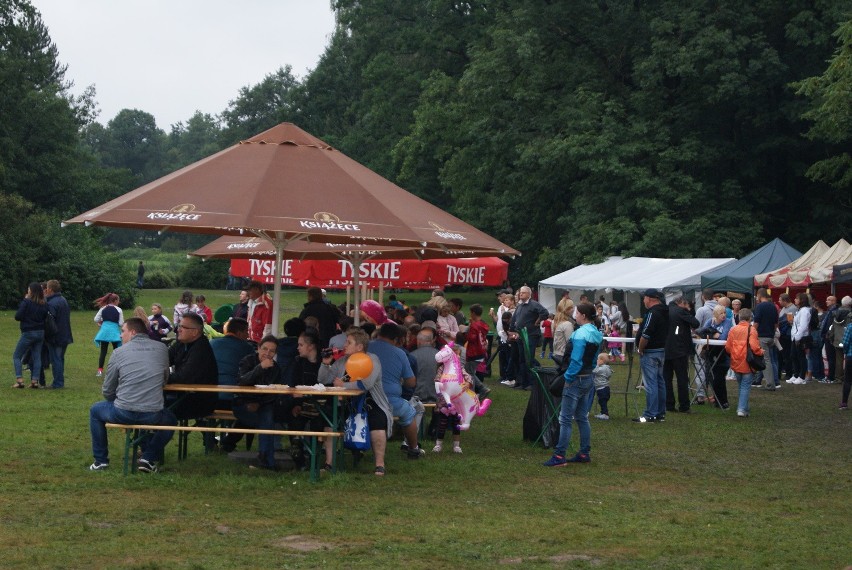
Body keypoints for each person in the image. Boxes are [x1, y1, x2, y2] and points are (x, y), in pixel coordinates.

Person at [88, 317, 177, 473]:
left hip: (123, 411)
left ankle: (100, 460)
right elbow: (164, 379)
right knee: (170, 419)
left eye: (123, 331)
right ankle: (147, 458)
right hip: (152, 413)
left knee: (96, 411)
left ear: (133, 332)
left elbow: (108, 389)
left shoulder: (118, 353)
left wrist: (118, 400)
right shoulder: (162, 349)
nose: (120, 336)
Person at [319, 327, 392, 476]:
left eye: (349, 342)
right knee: (329, 421)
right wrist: (326, 364)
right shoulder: (342, 362)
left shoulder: (372, 360)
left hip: (371, 402)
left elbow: (366, 384)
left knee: (377, 421)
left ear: (359, 347)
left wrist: (342, 385)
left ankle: (379, 464)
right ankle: (329, 463)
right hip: (345, 403)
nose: (344, 345)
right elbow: (323, 379)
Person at [543, 303, 601, 466]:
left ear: (583, 315)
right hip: (588, 377)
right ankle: (584, 452)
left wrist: (567, 378)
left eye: (576, 312)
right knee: (582, 417)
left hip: (576, 378)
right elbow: (595, 357)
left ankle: (559, 455)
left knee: (565, 419)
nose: (574, 314)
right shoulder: (596, 333)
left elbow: (576, 360)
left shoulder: (580, 334)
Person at [367, 323, 425, 458]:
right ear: (397, 339)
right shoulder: (400, 353)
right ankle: (413, 448)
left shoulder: (366, 347)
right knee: (410, 413)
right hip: (391, 401)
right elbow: (411, 382)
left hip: (365, 398)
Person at [234, 335, 282, 470]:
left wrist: (258, 404)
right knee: (267, 419)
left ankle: (265, 459)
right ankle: (267, 460)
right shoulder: (247, 361)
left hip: (264, 405)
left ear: (275, 353)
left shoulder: (276, 368)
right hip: (242, 403)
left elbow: (273, 393)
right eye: (265, 349)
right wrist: (260, 367)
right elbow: (242, 382)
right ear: (258, 348)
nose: (267, 353)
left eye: (272, 351)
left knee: (267, 417)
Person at [289, 330, 335, 470]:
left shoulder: (326, 362)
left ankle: (314, 460)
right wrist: (296, 403)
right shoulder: (298, 361)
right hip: (303, 405)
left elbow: (329, 386)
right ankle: (300, 461)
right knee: (294, 421)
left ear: (311, 346)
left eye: (301, 344)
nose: (298, 348)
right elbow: (293, 384)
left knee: (319, 423)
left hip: (322, 405)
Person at [165, 312, 219, 421]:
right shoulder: (181, 343)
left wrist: (162, 377)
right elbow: (162, 360)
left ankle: (150, 436)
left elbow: (185, 377)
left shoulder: (201, 349)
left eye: (182, 327)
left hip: (199, 402)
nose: (177, 330)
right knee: (149, 404)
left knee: (153, 409)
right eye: (178, 326)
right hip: (183, 396)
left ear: (195, 332)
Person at [634, 289, 669, 423]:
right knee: (660, 381)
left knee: (651, 383)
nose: (643, 301)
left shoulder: (652, 313)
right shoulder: (665, 311)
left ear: (650, 299)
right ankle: (660, 412)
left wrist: (640, 348)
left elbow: (646, 333)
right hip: (661, 350)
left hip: (650, 351)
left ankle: (650, 413)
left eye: (644, 298)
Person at [508, 285, 549, 390]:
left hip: (530, 335)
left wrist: (539, 320)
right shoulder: (520, 306)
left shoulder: (534, 304)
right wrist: (511, 330)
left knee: (528, 359)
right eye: (520, 292)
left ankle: (531, 382)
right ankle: (523, 382)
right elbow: (514, 319)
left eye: (523, 293)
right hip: (520, 336)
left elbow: (545, 312)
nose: (521, 294)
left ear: (529, 294)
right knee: (521, 359)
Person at [725, 308, 763, 418]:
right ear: (750, 318)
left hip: (736, 361)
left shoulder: (733, 329)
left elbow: (728, 347)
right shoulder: (752, 330)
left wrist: (734, 353)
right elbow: (755, 347)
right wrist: (761, 351)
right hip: (747, 361)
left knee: (741, 385)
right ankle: (741, 409)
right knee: (745, 386)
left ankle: (745, 409)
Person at [664, 295, 699, 413]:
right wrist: (688, 310)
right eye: (686, 305)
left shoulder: (665, 310)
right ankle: (684, 405)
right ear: (681, 303)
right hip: (679, 349)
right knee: (682, 378)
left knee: (666, 378)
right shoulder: (680, 312)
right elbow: (696, 323)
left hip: (665, 348)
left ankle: (669, 404)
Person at [12, 282, 48, 389]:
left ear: (31, 291)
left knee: (17, 356)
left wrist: (25, 301)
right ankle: (34, 380)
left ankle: (19, 380)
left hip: (28, 332)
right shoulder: (44, 304)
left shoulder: (27, 302)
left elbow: (18, 316)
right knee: (37, 357)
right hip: (40, 332)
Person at [699, 305, 733, 409]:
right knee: (711, 377)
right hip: (711, 352)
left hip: (722, 354)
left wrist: (712, 333)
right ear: (715, 314)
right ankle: (718, 401)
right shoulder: (710, 321)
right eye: (721, 313)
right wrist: (714, 333)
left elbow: (723, 337)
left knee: (719, 377)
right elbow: (701, 332)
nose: (723, 315)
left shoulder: (727, 321)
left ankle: (723, 401)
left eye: (724, 313)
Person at [43, 280, 72, 390]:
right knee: (60, 358)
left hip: (56, 336)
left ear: (50, 289)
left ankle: (58, 383)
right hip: (65, 334)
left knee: (56, 359)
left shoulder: (51, 303)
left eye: (47, 288)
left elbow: (50, 321)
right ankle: (59, 381)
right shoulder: (63, 300)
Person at [752, 288, 779, 391]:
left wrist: (751, 332)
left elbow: (757, 322)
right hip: (771, 336)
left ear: (759, 295)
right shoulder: (773, 306)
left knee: (766, 360)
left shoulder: (760, 306)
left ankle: (770, 384)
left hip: (762, 336)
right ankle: (773, 381)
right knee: (771, 360)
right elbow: (776, 323)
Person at [93, 293, 124, 377]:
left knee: (103, 351)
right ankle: (117, 370)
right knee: (116, 351)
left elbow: (96, 319)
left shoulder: (103, 308)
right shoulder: (119, 310)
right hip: (114, 332)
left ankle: (99, 371)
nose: (119, 302)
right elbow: (121, 323)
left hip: (105, 331)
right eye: (118, 300)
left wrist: (102, 322)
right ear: (115, 301)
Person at [464, 304, 490, 396]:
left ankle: (480, 389)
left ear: (473, 313)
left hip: (474, 352)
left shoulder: (474, 326)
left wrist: (467, 330)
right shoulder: (483, 324)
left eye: (471, 313)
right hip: (481, 351)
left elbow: (471, 338)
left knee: (468, 373)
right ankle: (475, 391)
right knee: (471, 372)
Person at [788, 292, 812, 385]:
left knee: (801, 357)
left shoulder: (805, 311)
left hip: (801, 337)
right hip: (795, 336)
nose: (795, 300)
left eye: (797, 299)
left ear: (801, 300)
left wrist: (798, 337)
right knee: (793, 356)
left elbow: (803, 326)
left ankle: (802, 376)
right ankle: (796, 374)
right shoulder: (800, 310)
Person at [411, 328, 439, 403]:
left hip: (416, 398)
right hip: (437, 397)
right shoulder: (441, 356)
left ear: (418, 341)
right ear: (432, 340)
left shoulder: (412, 356)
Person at [830, 296, 852, 386]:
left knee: (838, 360)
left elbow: (832, 328)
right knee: (849, 359)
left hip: (837, 339)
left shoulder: (835, 313)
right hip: (849, 340)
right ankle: (848, 377)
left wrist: (832, 337)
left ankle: (839, 377)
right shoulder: (850, 314)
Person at [551, 297, 575, 370]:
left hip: (556, 353)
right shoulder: (567, 324)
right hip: (564, 355)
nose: (573, 309)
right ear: (566, 310)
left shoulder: (554, 322)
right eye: (571, 308)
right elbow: (570, 342)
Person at [778, 293, 796, 380]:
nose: (779, 301)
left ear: (785, 300)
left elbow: (790, 321)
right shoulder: (784, 308)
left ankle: (789, 373)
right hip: (783, 333)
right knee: (782, 355)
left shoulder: (792, 308)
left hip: (787, 334)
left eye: (780, 300)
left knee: (787, 354)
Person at [821, 295, 837, 383]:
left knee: (831, 357)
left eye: (829, 300)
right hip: (827, 336)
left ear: (834, 301)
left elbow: (830, 325)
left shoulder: (833, 312)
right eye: (827, 299)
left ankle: (831, 377)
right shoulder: (829, 311)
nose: (827, 301)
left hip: (830, 337)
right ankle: (829, 376)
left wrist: (827, 334)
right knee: (828, 356)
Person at [593, 352, 613, 420]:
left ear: (602, 361)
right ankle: (602, 413)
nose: (597, 361)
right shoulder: (608, 368)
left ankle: (605, 414)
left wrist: (597, 365)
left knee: (602, 401)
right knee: (602, 401)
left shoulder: (601, 368)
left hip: (601, 388)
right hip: (606, 387)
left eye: (598, 359)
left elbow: (594, 371)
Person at [840, 312, 852, 410]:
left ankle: (844, 402)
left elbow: (845, 342)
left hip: (850, 355)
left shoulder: (850, 326)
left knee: (847, 380)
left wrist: (845, 351)